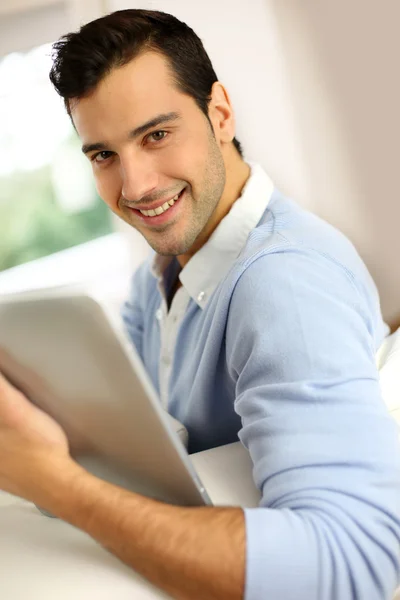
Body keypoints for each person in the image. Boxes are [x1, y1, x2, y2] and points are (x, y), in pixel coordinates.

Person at [0, 8, 399, 600]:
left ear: (219, 113)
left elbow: (360, 564)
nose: (134, 187)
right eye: (103, 155)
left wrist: (60, 486)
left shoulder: (282, 285)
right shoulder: (157, 275)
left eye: (156, 135)